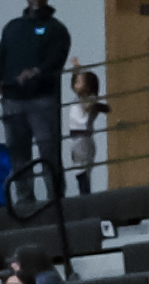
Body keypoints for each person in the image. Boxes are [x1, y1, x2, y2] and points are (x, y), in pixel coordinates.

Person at [0, 0, 71, 204]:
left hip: (42, 99)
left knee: (49, 151)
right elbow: (0, 56)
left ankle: (56, 202)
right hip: (12, 100)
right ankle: (25, 200)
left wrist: (36, 72)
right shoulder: (12, 27)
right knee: (18, 153)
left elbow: (56, 60)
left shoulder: (57, 29)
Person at [65, 61, 107, 196]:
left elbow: (88, 107)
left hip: (83, 140)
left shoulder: (90, 99)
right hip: (77, 140)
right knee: (79, 171)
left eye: (80, 82)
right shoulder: (79, 100)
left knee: (82, 172)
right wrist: (76, 71)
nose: (75, 85)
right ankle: (84, 193)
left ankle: (85, 195)